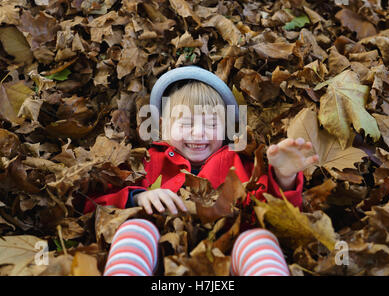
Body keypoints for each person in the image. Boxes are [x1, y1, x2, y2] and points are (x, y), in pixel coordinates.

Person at [83, 66, 319, 276]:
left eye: (212, 124)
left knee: (259, 240)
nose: (199, 133)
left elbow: (273, 215)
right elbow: (95, 205)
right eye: (186, 123)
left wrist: (284, 177)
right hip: (160, 258)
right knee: (135, 230)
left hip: (226, 258)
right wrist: (136, 196)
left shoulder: (239, 162)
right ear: (164, 126)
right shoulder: (146, 161)